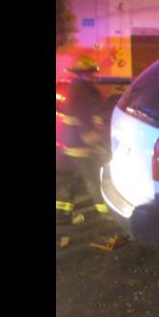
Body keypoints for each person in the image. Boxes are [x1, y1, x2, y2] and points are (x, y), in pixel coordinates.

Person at [56, 56, 111, 224]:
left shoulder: (77, 87)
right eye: (90, 72)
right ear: (82, 73)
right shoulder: (84, 89)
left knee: (74, 175)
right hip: (81, 141)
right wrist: (91, 136)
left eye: (92, 72)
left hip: (72, 139)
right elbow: (82, 114)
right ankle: (105, 211)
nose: (93, 75)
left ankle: (61, 211)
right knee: (92, 176)